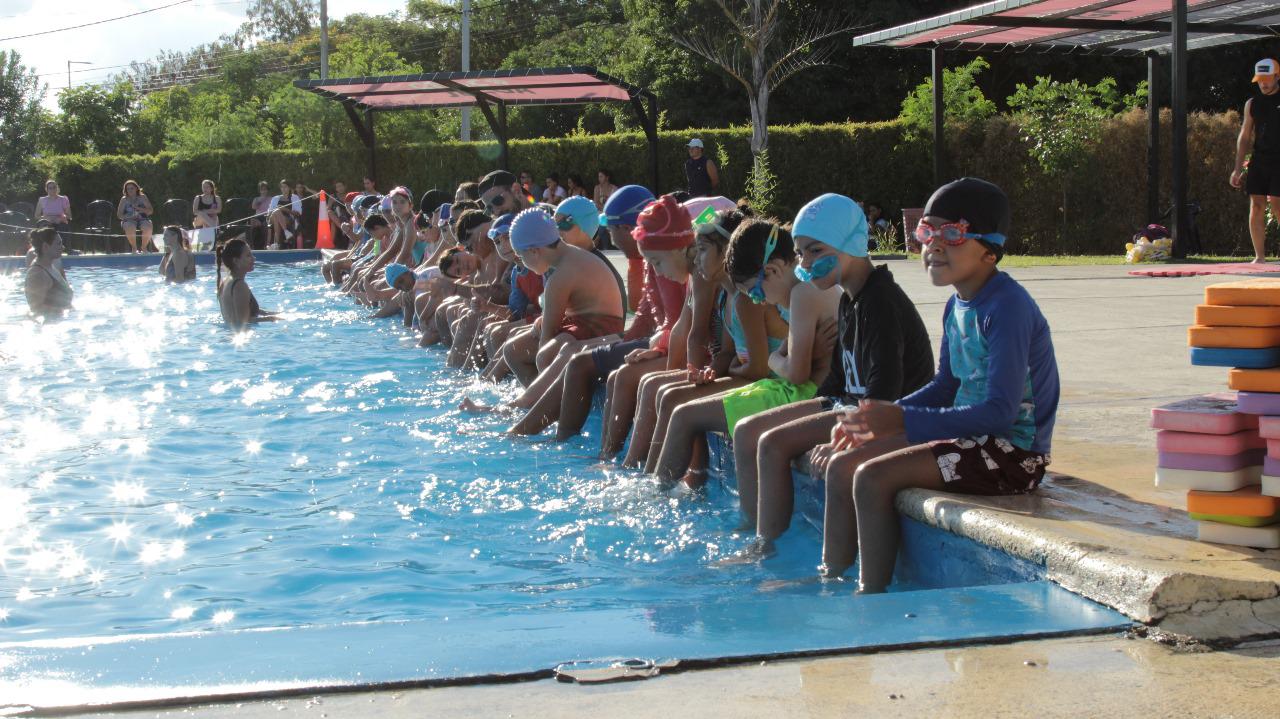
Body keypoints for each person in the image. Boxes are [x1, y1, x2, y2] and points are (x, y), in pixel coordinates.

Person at [821, 178, 1059, 594]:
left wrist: (900, 420)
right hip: (970, 439)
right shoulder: (957, 305)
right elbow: (946, 384)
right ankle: (830, 579)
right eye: (926, 232)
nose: (933, 245)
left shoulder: (1008, 307)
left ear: (990, 250)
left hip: (1013, 455)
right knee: (843, 465)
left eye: (951, 234)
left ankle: (870, 596)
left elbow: (1000, 413)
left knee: (872, 478)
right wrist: (874, 417)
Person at [732, 194, 933, 547]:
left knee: (776, 445)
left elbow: (885, 391)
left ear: (850, 244)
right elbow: (836, 382)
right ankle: (764, 540)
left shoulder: (880, 303)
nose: (806, 264)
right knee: (761, 436)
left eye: (816, 251)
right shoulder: (848, 300)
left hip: (888, 415)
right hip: (849, 404)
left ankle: (782, 552)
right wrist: (806, 417)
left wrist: (845, 433)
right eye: (801, 253)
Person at [650, 219, 841, 487]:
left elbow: (792, 372)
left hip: (806, 392)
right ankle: (682, 486)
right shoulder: (800, 292)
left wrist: (777, 360)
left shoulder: (801, 295)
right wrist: (783, 359)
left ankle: (660, 493)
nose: (758, 301)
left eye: (756, 293)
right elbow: (788, 356)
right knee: (683, 410)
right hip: (799, 388)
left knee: (687, 416)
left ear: (772, 270)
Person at [508, 208, 625, 368]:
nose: (521, 262)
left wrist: (544, 367)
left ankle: (543, 385)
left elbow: (546, 339)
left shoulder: (560, 277)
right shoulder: (571, 256)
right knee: (513, 349)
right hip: (589, 322)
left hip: (599, 328)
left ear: (534, 251)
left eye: (520, 256)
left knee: (544, 357)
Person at [1231, 58, 1280, 263]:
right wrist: (1237, 168)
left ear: (1277, 77)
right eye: (1260, 80)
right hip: (1259, 160)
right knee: (1256, 205)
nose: (1263, 84)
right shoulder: (1252, 104)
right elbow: (1244, 136)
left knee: (1277, 204)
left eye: (1267, 79)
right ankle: (1260, 257)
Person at [217, 238, 278, 330]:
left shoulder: (225, 282)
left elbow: (239, 309)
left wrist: (268, 313)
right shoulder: (239, 285)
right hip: (242, 334)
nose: (254, 258)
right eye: (248, 255)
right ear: (236, 261)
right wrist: (272, 319)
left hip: (229, 333)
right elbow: (243, 321)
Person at [24, 227, 73, 316]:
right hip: (48, 323)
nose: (63, 247)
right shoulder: (37, 274)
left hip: (59, 320)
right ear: (45, 247)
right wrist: (65, 311)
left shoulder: (51, 267)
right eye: (59, 244)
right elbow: (36, 309)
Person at [117, 180, 154, 253]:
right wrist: (129, 217)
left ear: (136, 188)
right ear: (125, 190)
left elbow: (150, 211)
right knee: (129, 226)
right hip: (128, 220)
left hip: (142, 218)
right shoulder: (124, 199)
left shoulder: (142, 197)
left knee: (148, 227)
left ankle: (144, 247)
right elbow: (119, 215)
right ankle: (134, 247)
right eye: (128, 189)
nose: (130, 190)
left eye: (132, 188)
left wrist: (139, 208)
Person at [268, 180, 304, 249]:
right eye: (282, 187)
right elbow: (269, 212)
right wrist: (278, 210)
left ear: (289, 188)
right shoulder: (275, 198)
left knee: (277, 218)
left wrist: (285, 209)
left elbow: (298, 213)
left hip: (288, 218)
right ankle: (286, 232)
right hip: (272, 217)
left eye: (285, 187)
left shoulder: (295, 197)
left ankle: (277, 244)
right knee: (276, 212)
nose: (283, 189)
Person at [192, 180, 221, 252]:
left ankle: (213, 230)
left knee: (214, 216)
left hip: (212, 219)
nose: (205, 189)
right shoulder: (198, 198)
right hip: (199, 221)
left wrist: (205, 211)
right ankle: (215, 230)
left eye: (207, 187)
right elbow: (195, 211)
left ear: (211, 188)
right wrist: (206, 212)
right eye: (203, 187)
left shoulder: (217, 198)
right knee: (202, 214)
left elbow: (218, 210)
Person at [250, 181, 273, 249]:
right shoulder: (256, 199)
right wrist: (259, 201)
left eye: (265, 189)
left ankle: (266, 245)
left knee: (265, 224)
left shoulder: (271, 199)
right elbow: (253, 207)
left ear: (267, 190)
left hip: (267, 216)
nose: (263, 191)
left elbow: (272, 209)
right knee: (252, 221)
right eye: (262, 190)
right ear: (259, 191)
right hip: (258, 217)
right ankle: (252, 245)